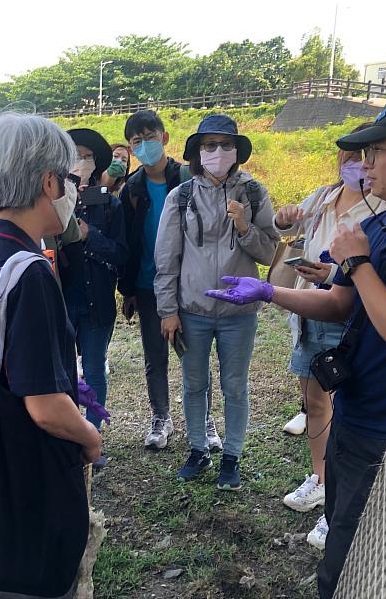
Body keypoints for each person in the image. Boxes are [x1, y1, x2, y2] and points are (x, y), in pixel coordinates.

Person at [206, 99, 386, 597]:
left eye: (377, 152)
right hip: (354, 414)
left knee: (353, 563)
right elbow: (339, 304)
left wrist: (357, 264)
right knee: (345, 534)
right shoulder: (377, 228)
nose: (365, 164)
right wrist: (270, 292)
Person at [0, 112, 101, 598]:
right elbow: (45, 406)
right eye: (71, 180)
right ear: (49, 182)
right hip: (23, 472)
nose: (74, 191)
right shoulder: (27, 270)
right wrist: (90, 437)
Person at [273, 123, 386, 548]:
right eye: (348, 155)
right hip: (308, 310)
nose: (355, 164)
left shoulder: (383, 207)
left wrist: (335, 274)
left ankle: (338, 501)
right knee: (315, 401)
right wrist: (282, 218)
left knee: (347, 408)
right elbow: (284, 229)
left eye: (365, 155)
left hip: (350, 316)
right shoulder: (323, 196)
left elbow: (373, 269)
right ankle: (321, 479)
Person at [154, 114, 278, 489]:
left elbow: (269, 252)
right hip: (191, 310)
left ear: (237, 151)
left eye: (226, 145)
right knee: (194, 384)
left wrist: (244, 226)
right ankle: (198, 449)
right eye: (210, 145)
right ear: (197, 151)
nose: (218, 151)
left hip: (239, 311)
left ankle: (232, 457)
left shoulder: (253, 193)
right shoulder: (181, 197)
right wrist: (168, 311)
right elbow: (167, 259)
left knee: (235, 386)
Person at [117, 109, 194, 451]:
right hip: (148, 284)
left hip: (188, 283)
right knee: (155, 355)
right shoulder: (131, 189)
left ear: (164, 138)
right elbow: (129, 243)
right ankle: (161, 417)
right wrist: (128, 289)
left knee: (192, 354)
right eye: (137, 141)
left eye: (150, 138)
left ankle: (202, 419)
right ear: (131, 148)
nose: (145, 146)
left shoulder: (188, 178)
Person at [59, 128, 128, 469]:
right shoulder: (54, 202)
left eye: (87, 156)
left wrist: (90, 235)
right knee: (62, 370)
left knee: (95, 367)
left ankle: (93, 437)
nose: (81, 162)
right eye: (75, 155)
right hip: (61, 301)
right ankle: (67, 436)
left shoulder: (110, 204)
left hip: (97, 301)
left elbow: (121, 253)